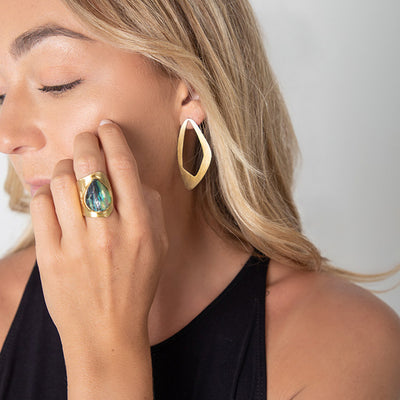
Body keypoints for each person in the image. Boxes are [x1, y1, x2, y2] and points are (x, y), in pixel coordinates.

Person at [0, 0, 399, 398]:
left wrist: (106, 355)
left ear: (190, 85)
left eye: (56, 82)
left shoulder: (344, 346)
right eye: (0, 94)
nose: (7, 136)